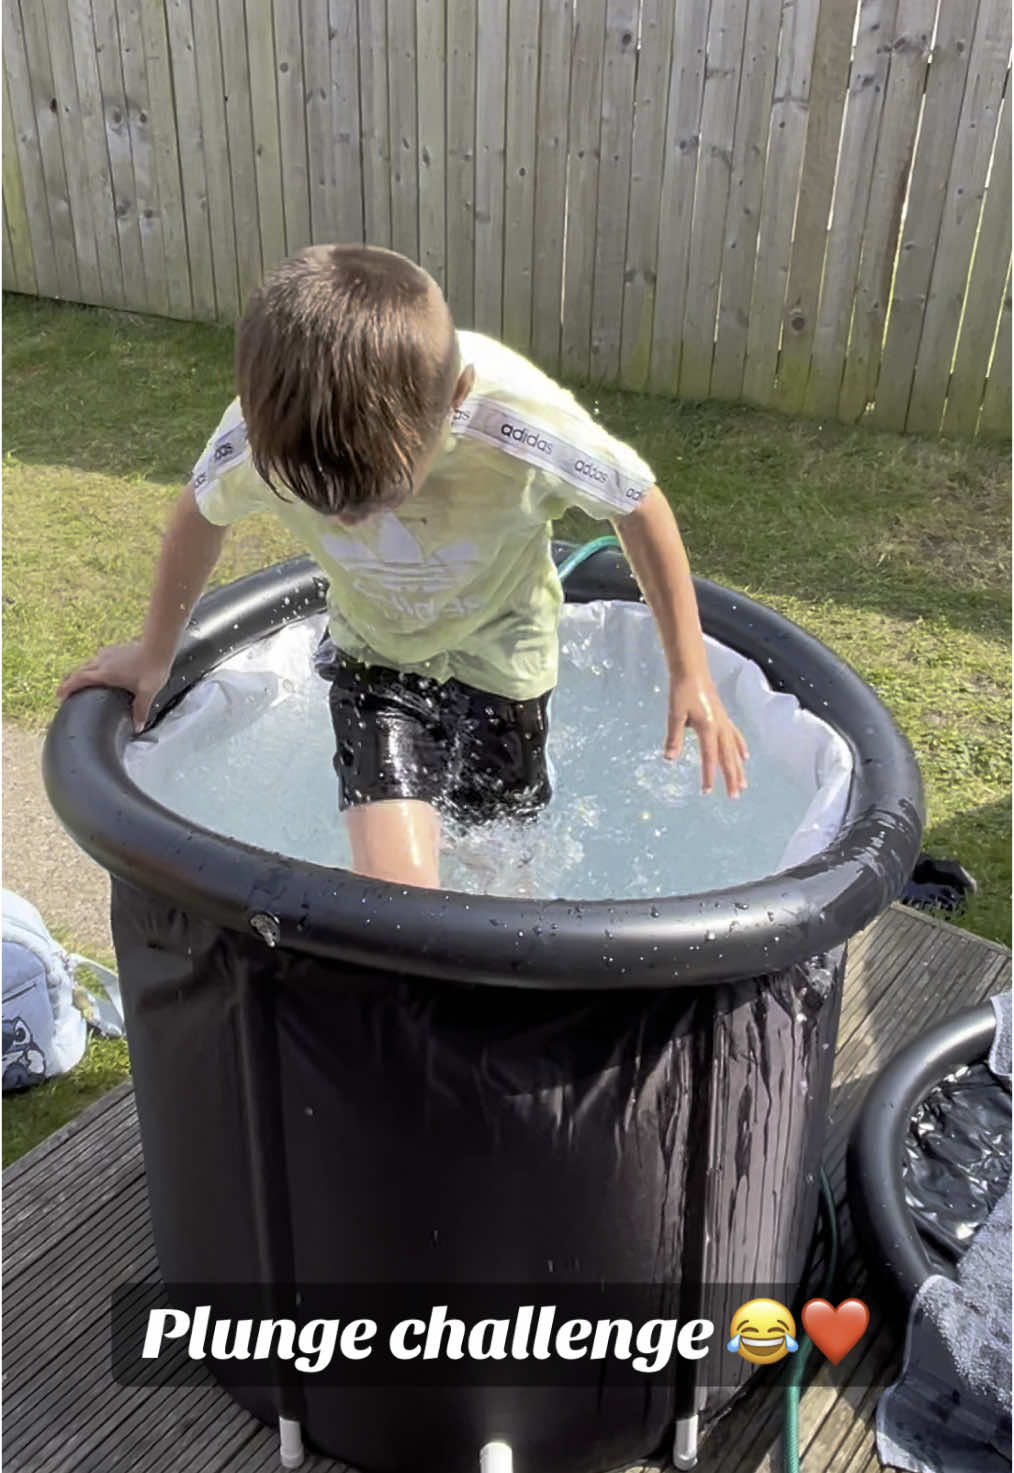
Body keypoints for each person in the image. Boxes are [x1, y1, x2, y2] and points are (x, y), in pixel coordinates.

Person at [57, 244, 748, 890]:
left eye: (374, 498)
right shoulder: (263, 436)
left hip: (507, 661)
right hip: (375, 661)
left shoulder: (519, 426)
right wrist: (156, 653)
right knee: (397, 894)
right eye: (316, 502)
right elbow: (200, 513)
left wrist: (690, 672)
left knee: (503, 871)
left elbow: (638, 503)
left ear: (456, 401)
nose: (346, 522)